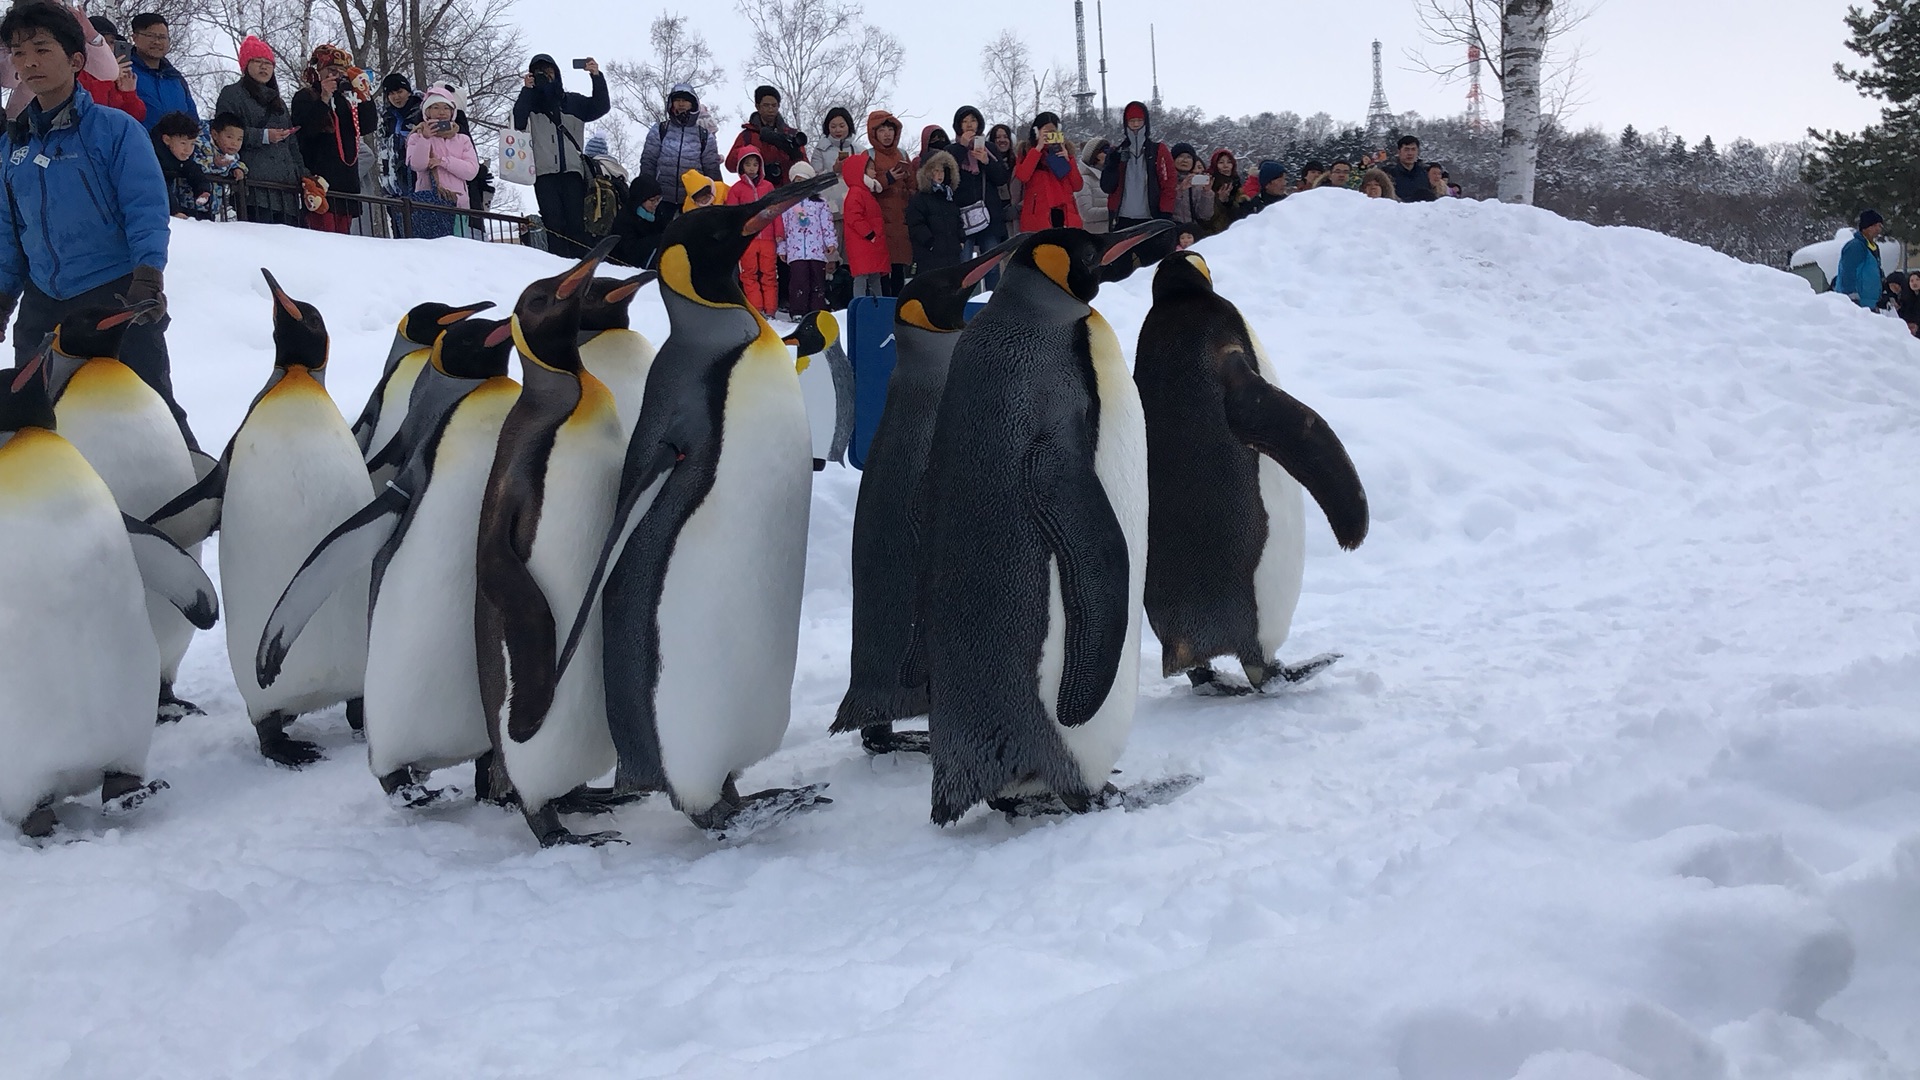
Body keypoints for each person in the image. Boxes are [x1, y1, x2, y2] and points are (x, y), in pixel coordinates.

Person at [0, 0, 187, 445]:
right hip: (44, 301)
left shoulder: (115, 129)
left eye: (42, 49)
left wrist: (147, 277)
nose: (29, 62)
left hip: (116, 294)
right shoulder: (13, 147)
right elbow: (10, 232)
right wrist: (4, 297)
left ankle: (192, 505)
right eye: (19, 52)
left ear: (77, 59)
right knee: (39, 419)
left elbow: (145, 207)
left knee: (152, 411)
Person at [511, 53, 609, 258]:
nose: (544, 76)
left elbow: (601, 106)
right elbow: (518, 121)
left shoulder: (572, 101)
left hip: (573, 173)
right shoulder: (530, 104)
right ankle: (558, 266)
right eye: (538, 72)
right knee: (553, 224)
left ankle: (579, 267)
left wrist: (596, 77)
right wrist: (527, 91)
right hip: (544, 174)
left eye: (548, 71)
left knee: (576, 224)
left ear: (557, 73)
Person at [213, 36, 303, 226]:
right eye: (257, 62)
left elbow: (292, 144)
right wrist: (263, 136)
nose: (264, 67)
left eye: (268, 63)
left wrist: (303, 175)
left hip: (287, 192)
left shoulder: (278, 102)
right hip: (254, 189)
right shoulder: (232, 94)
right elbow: (224, 134)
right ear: (246, 65)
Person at [291, 44, 368, 234]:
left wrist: (365, 95)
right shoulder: (305, 96)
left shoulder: (347, 101)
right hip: (321, 182)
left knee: (343, 240)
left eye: (343, 72)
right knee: (322, 239)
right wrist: (324, 98)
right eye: (332, 71)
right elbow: (307, 130)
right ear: (319, 72)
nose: (337, 76)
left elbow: (367, 126)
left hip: (346, 185)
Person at [638, 82, 719, 223]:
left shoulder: (704, 136)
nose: (681, 104)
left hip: (694, 201)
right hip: (661, 201)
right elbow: (648, 163)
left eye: (685, 100)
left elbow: (712, 171)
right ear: (671, 103)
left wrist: (716, 203)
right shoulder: (660, 129)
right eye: (677, 100)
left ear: (693, 104)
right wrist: (646, 193)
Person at [405, 85, 478, 240]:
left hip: (458, 205)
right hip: (429, 205)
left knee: (458, 250)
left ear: (453, 112)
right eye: (435, 107)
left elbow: (471, 171)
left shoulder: (462, 139)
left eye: (446, 108)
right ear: (427, 112)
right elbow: (417, 165)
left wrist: (443, 162)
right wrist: (425, 139)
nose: (442, 112)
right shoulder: (416, 137)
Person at [948, 105, 1009, 277]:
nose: (969, 125)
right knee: (964, 266)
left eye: (973, 120)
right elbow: (947, 177)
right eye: (965, 121)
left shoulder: (989, 148)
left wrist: (986, 161)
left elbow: (1001, 178)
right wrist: (962, 147)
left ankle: (990, 299)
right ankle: (965, 301)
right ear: (958, 126)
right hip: (962, 218)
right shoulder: (951, 150)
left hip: (989, 216)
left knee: (991, 265)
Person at [1101, 100, 1176, 230]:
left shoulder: (1158, 150)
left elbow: (1169, 183)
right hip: (1121, 217)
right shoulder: (1117, 152)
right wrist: (1112, 165)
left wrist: (1165, 212)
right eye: (1131, 121)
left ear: (1145, 122)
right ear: (1125, 124)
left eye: (1139, 121)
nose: (1135, 125)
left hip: (1151, 217)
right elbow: (1107, 187)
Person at [777, 159, 834, 315]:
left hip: (817, 251)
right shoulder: (787, 204)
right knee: (798, 282)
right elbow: (782, 227)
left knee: (817, 282)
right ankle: (797, 311)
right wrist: (782, 247)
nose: (801, 185)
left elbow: (827, 223)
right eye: (797, 181)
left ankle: (816, 310)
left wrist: (830, 242)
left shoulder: (820, 203)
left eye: (804, 181)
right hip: (796, 252)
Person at [725, 148, 778, 316]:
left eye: (755, 164)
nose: (752, 168)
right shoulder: (736, 189)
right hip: (748, 239)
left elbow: (776, 211)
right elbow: (732, 214)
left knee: (769, 274)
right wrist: (735, 235)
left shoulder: (768, 186)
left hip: (768, 237)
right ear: (741, 167)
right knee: (749, 274)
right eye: (748, 164)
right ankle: (757, 308)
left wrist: (779, 233)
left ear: (760, 166)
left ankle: (771, 309)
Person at [866, 110, 911, 293]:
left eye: (890, 129)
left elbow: (913, 184)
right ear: (873, 133)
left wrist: (908, 182)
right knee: (882, 268)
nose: (886, 134)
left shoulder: (902, 154)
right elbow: (865, 184)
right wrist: (888, 179)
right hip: (880, 219)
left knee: (899, 267)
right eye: (881, 130)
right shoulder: (869, 155)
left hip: (901, 218)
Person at [1014, 111, 1081, 233]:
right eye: (1046, 132)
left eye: (1053, 132)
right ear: (1036, 131)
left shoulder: (1065, 151)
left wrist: (1068, 160)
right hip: (1039, 215)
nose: (1050, 136)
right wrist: (1038, 149)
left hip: (1065, 213)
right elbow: (1023, 176)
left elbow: (1077, 186)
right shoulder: (1027, 152)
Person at [125, 13, 194, 132]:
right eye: (150, 36)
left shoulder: (175, 78)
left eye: (162, 37)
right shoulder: (124, 71)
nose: (157, 42)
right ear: (134, 37)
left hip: (177, 148)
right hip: (137, 145)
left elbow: (193, 119)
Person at [727, 84, 806, 186]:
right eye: (766, 105)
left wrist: (794, 153)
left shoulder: (791, 135)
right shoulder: (748, 136)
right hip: (758, 191)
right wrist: (750, 153)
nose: (770, 109)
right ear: (758, 106)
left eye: (774, 105)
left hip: (788, 190)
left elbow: (805, 167)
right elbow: (730, 165)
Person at [839, 151, 891, 298]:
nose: (875, 172)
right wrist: (869, 234)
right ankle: (861, 303)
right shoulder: (857, 193)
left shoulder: (865, 192)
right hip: (864, 242)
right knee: (862, 277)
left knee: (873, 275)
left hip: (869, 243)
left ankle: (876, 304)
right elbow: (854, 217)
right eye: (871, 169)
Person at [906, 149, 963, 275]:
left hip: (952, 255)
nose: (940, 174)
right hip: (930, 256)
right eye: (936, 170)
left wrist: (961, 239)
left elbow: (958, 220)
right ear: (927, 172)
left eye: (942, 170)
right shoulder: (920, 199)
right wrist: (930, 243)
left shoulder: (949, 197)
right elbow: (916, 224)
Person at [376, 73, 421, 228]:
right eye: (392, 94)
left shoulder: (421, 111)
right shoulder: (387, 116)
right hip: (393, 185)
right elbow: (383, 149)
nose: (396, 97)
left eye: (400, 92)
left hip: (417, 181)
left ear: (408, 91)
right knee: (399, 232)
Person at [78, 15, 141, 122]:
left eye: (111, 42)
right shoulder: (77, 71)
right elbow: (89, 108)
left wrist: (128, 94)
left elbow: (136, 117)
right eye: (100, 41)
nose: (106, 47)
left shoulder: (121, 74)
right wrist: (108, 77)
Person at [152, 110, 211, 219]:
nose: (188, 149)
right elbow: (159, 184)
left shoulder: (179, 156)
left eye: (192, 144)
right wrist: (174, 210)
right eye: (183, 143)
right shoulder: (152, 157)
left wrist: (203, 189)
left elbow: (193, 171)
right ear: (166, 140)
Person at [611, 174, 665, 270]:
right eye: (652, 200)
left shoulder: (656, 213)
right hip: (626, 267)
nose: (656, 204)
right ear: (640, 199)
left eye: (658, 199)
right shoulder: (625, 218)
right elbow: (630, 252)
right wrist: (657, 240)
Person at [1837, 209, 1885, 309]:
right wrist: (1851, 295)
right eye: (1874, 226)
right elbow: (1848, 271)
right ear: (1865, 228)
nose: (1878, 229)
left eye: (1880, 226)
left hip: (1871, 302)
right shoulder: (1855, 246)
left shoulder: (1873, 247)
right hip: (1857, 302)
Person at [203, 112, 247, 217]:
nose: (234, 143)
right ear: (215, 135)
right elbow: (197, 166)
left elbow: (237, 163)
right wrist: (215, 164)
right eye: (229, 137)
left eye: (239, 139)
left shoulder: (232, 154)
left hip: (213, 206)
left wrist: (238, 169)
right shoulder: (202, 146)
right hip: (191, 202)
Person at [1167, 142, 1211, 233]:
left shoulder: (1196, 184)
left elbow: (1205, 215)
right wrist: (1180, 190)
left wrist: (1207, 193)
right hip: (1170, 229)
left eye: (1189, 157)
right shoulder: (1166, 180)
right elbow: (1165, 209)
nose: (1185, 160)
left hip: (1191, 232)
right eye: (1180, 156)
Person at [1204, 148, 1248, 234]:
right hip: (1214, 233)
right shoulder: (1209, 185)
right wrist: (1219, 200)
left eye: (1229, 162)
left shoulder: (1237, 185)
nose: (1225, 166)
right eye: (1221, 162)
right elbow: (1206, 217)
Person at [1382, 134, 1434, 202]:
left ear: (1417, 152)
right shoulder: (1388, 174)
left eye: (1413, 149)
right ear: (1399, 152)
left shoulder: (1426, 173)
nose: (1410, 153)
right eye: (1406, 149)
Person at [1077, 137, 1110, 234]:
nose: (1108, 154)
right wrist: (1114, 211)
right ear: (1094, 155)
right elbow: (1086, 214)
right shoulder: (1084, 180)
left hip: (1110, 235)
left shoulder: (1109, 178)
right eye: (1104, 151)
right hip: (1095, 238)